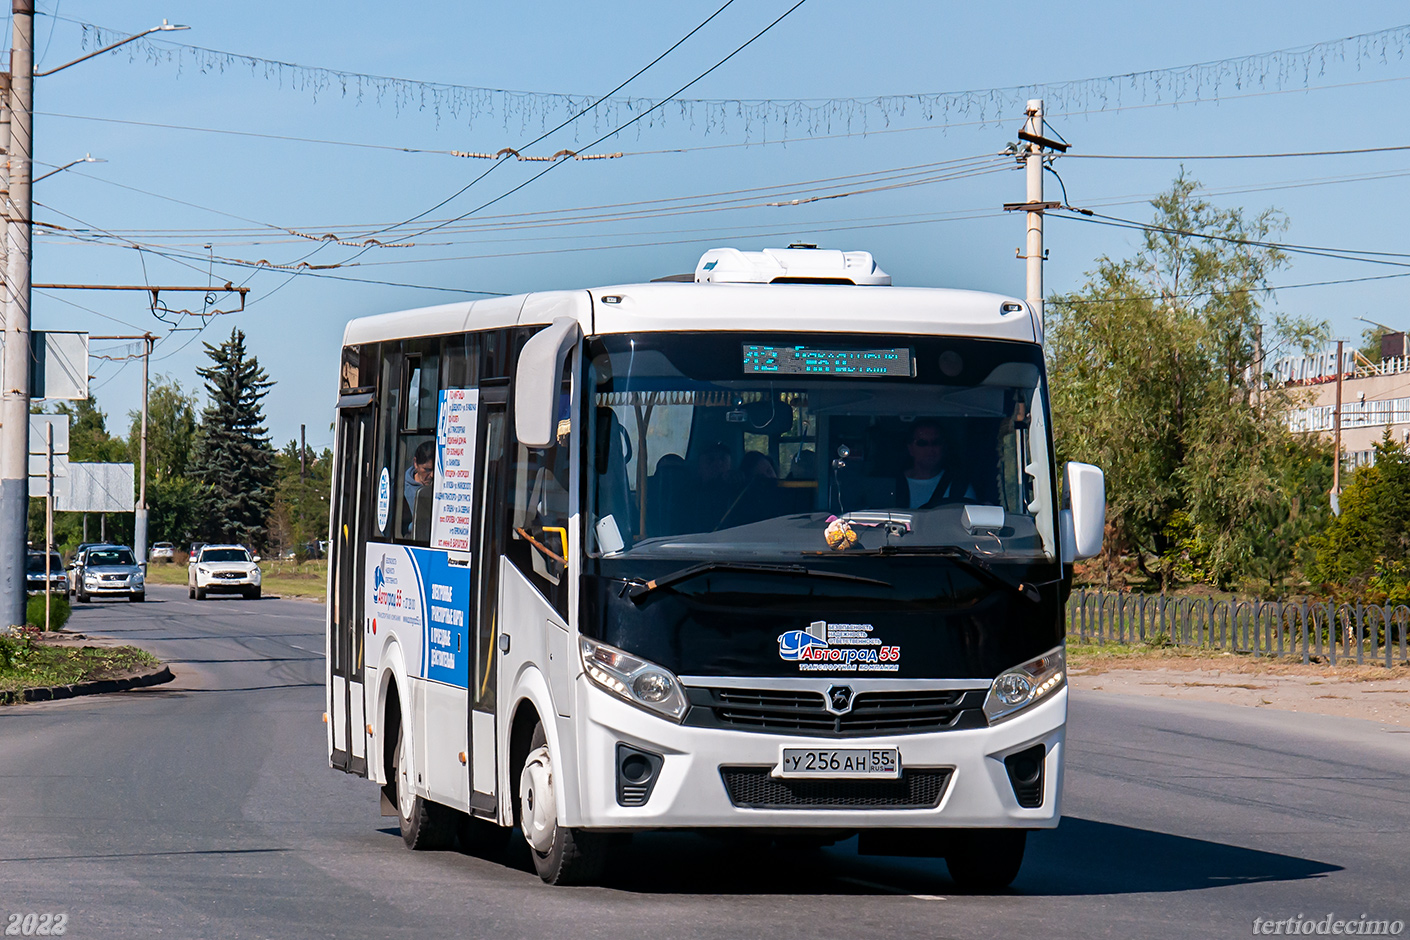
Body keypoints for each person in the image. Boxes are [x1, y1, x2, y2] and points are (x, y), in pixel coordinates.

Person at [896, 419, 973, 508]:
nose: (930, 449)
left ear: (944, 447)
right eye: (922, 443)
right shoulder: (891, 485)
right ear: (910, 448)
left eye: (936, 442)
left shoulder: (960, 488)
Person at [403, 439, 435, 523]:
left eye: (435, 470)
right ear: (415, 463)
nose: (432, 475)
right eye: (427, 469)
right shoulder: (402, 488)